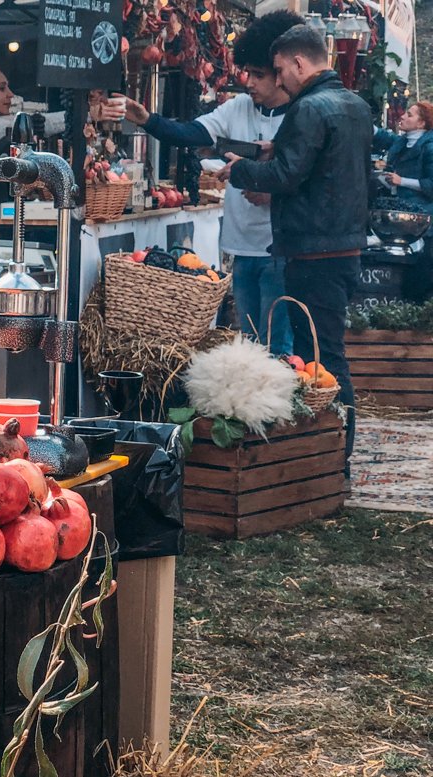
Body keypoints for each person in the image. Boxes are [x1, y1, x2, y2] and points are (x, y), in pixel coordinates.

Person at [221, 23, 373, 464]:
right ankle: (326, 454)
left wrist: (239, 169)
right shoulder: (355, 104)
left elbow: (286, 177)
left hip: (312, 250)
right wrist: (274, 148)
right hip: (341, 248)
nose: (278, 78)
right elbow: (324, 164)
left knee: (320, 360)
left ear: (299, 62)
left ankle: (331, 457)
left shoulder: (307, 109)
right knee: (321, 355)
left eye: (280, 69)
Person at [118, 11, 302, 355]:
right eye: (248, 73)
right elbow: (190, 134)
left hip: (281, 249)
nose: (249, 83)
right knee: (248, 343)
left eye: (258, 75)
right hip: (242, 247)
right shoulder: (237, 110)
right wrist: (146, 119)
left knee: (278, 346)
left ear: (280, 75)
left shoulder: (301, 116)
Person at [374, 101, 433, 214]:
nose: (403, 116)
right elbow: (386, 138)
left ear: (421, 123)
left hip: (422, 215)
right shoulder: (403, 142)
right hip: (404, 209)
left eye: (409, 115)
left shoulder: (430, 147)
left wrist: (401, 181)